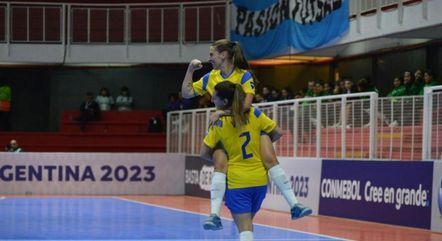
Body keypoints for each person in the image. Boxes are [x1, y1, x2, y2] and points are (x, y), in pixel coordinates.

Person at [181, 39, 311, 230]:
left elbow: (246, 105)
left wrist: (221, 113)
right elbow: (186, 93)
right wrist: (190, 70)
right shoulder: (210, 77)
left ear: (223, 55)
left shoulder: (244, 76)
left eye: (212, 54)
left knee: (269, 158)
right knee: (220, 163)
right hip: (224, 128)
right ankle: (214, 215)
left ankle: (295, 205)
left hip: (246, 122)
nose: (209, 58)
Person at [200, 82, 311, 241]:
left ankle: (214, 215)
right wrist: (261, 141)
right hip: (260, 182)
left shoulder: (219, 123)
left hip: (238, 183)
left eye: (215, 97)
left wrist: (223, 154)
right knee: (246, 226)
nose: (212, 99)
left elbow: (203, 153)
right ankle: (295, 204)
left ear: (224, 102)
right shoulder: (255, 113)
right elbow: (278, 132)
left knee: (245, 230)